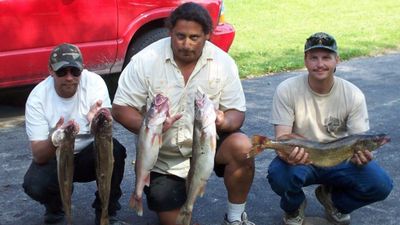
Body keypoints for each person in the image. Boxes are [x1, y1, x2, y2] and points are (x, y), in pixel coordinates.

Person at [112, 2, 255, 225]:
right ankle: (169, 199)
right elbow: (120, 108)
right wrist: (152, 126)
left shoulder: (223, 63)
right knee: (176, 222)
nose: (186, 44)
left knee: (243, 147)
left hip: (208, 146)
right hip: (163, 156)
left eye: (194, 38)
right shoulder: (146, 59)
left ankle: (235, 218)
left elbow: (237, 113)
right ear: (170, 31)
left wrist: (223, 120)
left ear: (207, 35)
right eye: (180, 36)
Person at [267, 32, 393, 225]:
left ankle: (335, 201)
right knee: (279, 175)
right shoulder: (287, 89)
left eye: (326, 57)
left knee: (381, 184)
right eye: (313, 58)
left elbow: (357, 140)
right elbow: (282, 138)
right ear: (305, 60)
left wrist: (361, 159)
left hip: (340, 158)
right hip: (302, 159)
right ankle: (294, 206)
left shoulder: (353, 95)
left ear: (337, 60)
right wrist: (287, 153)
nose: (320, 64)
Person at [22, 43, 127, 225]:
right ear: (51, 71)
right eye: (62, 72)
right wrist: (56, 137)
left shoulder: (94, 83)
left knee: (115, 151)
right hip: (57, 156)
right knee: (35, 183)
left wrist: (98, 121)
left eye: (75, 71)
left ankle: (106, 212)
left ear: (82, 69)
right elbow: (39, 155)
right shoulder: (37, 98)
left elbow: (107, 128)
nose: (69, 78)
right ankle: (56, 210)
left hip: (88, 155)